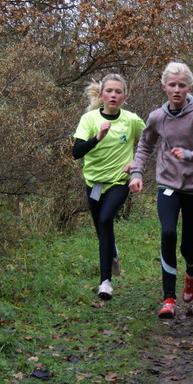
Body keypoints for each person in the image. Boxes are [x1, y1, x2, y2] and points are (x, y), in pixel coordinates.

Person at [128, 62, 193, 319]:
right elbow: (145, 147)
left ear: (189, 87)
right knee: (168, 233)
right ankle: (168, 298)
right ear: (164, 87)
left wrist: (191, 155)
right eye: (172, 85)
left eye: (182, 85)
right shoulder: (156, 117)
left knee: (187, 246)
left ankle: (192, 270)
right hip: (168, 184)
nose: (177, 89)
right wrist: (136, 173)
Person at [72, 74, 145, 300]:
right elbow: (76, 153)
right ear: (102, 94)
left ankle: (105, 283)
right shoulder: (89, 119)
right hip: (94, 183)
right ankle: (112, 253)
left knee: (105, 220)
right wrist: (98, 137)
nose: (114, 95)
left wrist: (137, 163)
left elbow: (150, 141)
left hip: (118, 182)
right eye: (109, 91)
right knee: (101, 229)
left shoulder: (132, 120)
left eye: (118, 92)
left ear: (125, 96)